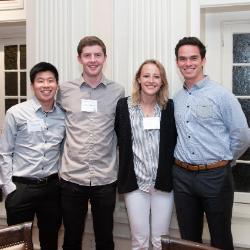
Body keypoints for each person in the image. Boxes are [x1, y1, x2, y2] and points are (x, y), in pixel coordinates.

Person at [173, 36, 250, 250]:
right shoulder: (176, 98)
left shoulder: (221, 95)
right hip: (182, 177)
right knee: (188, 240)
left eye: (193, 58)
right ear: (177, 62)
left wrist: (225, 160)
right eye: (182, 59)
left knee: (220, 237)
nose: (188, 63)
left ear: (203, 60)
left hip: (215, 177)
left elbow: (242, 135)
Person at [57, 35, 125, 250]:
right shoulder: (65, 91)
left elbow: (122, 131)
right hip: (72, 177)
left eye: (97, 55)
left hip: (105, 178)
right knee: (71, 239)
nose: (93, 60)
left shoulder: (118, 91)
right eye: (87, 55)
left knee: (105, 239)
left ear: (105, 58)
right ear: (79, 59)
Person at [0, 62, 65, 250]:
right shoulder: (16, 113)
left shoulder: (63, 115)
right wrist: (9, 188)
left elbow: (62, 149)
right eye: (40, 81)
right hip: (21, 187)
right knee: (18, 244)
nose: (46, 85)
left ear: (57, 85)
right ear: (32, 85)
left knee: (50, 241)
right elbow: (4, 152)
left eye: (50, 81)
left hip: (52, 188)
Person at [115, 59, 177, 250]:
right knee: (139, 240)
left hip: (162, 183)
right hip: (135, 184)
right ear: (139, 79)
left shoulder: (169, 108)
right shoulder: (123, 106)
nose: (151, 80)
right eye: (146, 76)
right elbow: (119, 140)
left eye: (156, 76)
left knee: (160, 241)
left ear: (162, 81)